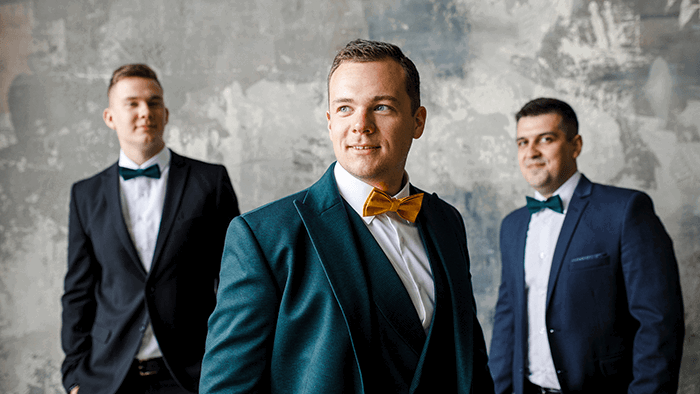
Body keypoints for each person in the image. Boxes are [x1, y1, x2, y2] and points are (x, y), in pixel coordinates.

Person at [200, 39, 494, 393]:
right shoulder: (263, 236)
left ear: (418, 121)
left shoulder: (447, 222)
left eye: (382, 107)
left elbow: (470, 360)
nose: (361, 125)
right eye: (344, 109)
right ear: (329, 122)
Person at [61, 64, 240, 394]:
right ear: (109, 117)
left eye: (154, 102)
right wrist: (74, 375)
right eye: (132, 103)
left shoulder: (210, 182)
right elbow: (78, 291)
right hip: (109, 377)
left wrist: (229, 365)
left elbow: (234, 282)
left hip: (193, 375)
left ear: (167, 112)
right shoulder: (84, 194)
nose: (145, 111)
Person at [489, 97, 685, 394]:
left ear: (575, 145)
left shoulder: (625, 211)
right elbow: (508, 321)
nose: (531, 152)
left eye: (546, 139)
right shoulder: (512, 226)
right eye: (522, 142)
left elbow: (658, 322)